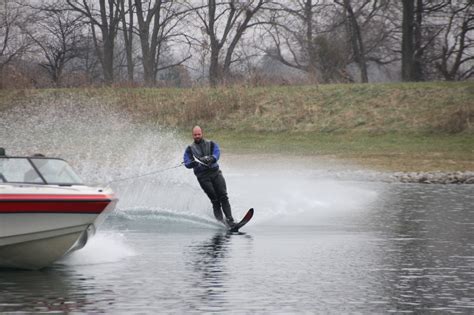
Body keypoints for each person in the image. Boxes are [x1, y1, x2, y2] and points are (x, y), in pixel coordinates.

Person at [183, 126, 235, 228]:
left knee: (223, 196)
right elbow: (187, 163)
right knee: (215, 200)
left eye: (199, 134)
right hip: (203, 177)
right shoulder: (189, 149)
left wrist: (212, 158)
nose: (197, 136)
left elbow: (217, 153)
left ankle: (230, 220)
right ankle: (221, 222)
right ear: (192, 135)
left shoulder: (211, 144)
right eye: (195, 135)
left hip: (215, 173)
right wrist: (193, 163)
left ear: (202, 134)